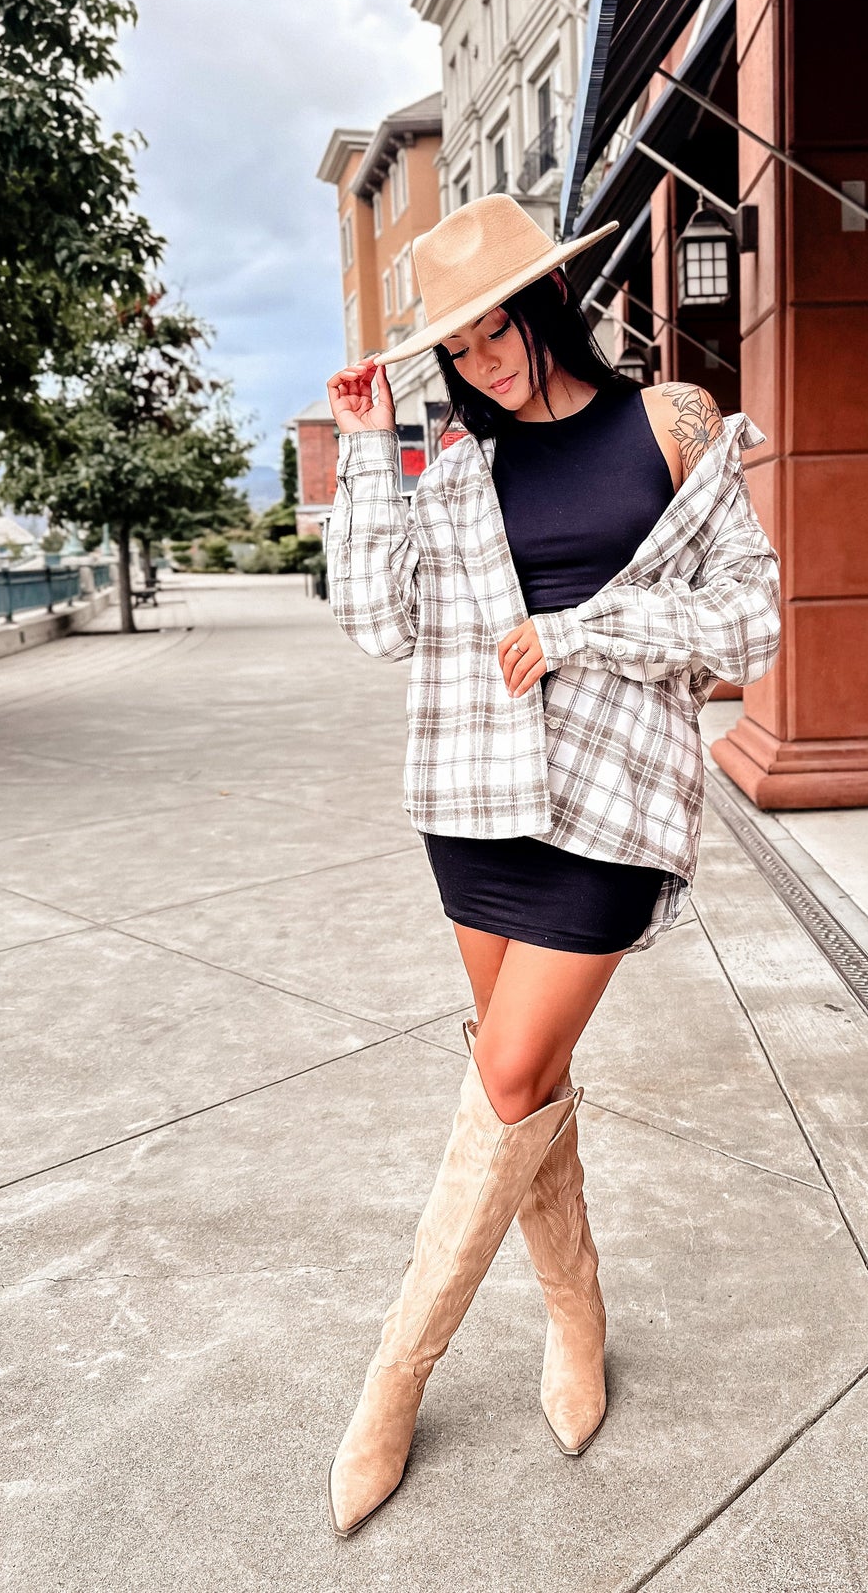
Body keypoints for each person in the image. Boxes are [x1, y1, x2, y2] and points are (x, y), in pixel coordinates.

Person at [322, 193, 781, 1536]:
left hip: (616, 807)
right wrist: (370, 454)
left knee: (512, 1072)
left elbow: (750, 621)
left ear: (542, 305)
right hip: (477, 803)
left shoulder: (670, 424)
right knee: (523, 1086)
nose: (482, 362)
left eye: (496, 329)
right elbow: (378, 623)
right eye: (455, 348)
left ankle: (394, 1375)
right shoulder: (453, 463)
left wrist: (585, 631)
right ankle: (576, 1316)